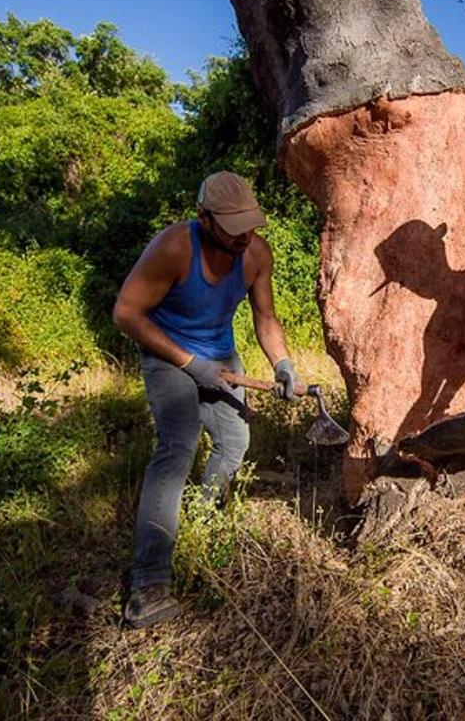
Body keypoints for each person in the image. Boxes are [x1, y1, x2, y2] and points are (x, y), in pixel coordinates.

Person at [112, 171, 302, 628]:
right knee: (177, 448)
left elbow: (266, 317)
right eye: (234, 228)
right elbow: (126, 313)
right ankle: (148, 584)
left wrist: (283, 364)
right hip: (168, 353)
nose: (244, 238)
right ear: (204, 218)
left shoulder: (256, 254)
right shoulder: (175, 248)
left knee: (234, 442)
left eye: (250, 226)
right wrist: (188, 364)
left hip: (221, 356)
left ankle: (201, 518)